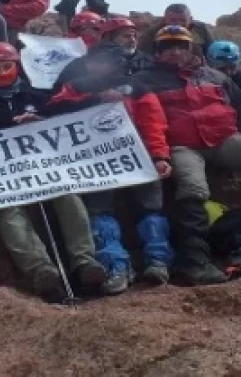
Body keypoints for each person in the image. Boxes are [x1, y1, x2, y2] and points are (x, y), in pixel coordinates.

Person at [0, 42, 108, 302]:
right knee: (9, 211)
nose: (2, 72)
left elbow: (63, 123)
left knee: (68, 197)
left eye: (7, 66)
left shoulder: (36, 95)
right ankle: (41, 270)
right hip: (0, 172)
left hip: (43, 166)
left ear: (17, 67)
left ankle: (85, 262)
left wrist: (40, 123)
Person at [134, 26, 241, 285]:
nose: (175, 51)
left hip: (225, 139)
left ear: (190, 49)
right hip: (180, 146)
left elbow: (239, 109)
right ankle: (194, 261)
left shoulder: (215, 76)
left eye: (180, 46)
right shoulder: (144, 80)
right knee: (193, 189)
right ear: (158, 52)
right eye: (167, 47)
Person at [43, 44, 175, 294]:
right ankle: (116, 266)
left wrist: (159, 156)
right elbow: (53, 109)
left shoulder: (136, 87)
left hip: (137, 156)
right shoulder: (77, 86)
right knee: (99, 211)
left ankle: (158, 261)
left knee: (151, 208)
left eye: (105, 60)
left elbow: (153, 123)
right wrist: (94, 99)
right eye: (95, 60)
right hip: (94, 162)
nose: (99, 65)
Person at [51, 15, 154, 94]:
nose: (132, 40)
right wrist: (98, 96)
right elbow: (62, 92)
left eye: (134, 36)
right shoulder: (83, 63)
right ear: (108, 38)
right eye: (126, 36)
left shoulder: (148, 61)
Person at [139, 4, 216, 57]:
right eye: (173, 20)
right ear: (164, 20)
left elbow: (212, 54)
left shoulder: (201, 30)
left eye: (183, 20)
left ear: (191, 20)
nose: (178, 24)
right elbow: (144, 57)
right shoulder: (152, 34)